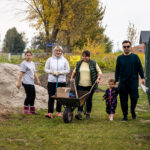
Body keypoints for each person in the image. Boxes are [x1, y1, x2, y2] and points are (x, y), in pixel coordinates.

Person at [115, 40, 145, 121]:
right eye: (124, 47)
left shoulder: (135, 57)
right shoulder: (119, 58)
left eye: (128, 46)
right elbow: (117, 70)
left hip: (133, 82)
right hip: (123, 82)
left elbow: (140, 68)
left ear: (130, 47)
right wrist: (116, 80)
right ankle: (125, 116)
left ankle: (132, 110)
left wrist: (142, 78)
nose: (126, 48)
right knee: (123, 100)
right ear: (123, 48)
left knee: (134, 98)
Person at [70, 50, 102, 120]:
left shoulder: (93, 63)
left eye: (86, 56)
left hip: (90, 85)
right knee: (80, 99)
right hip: (80, 84)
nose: (84, 58)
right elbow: (74, 71)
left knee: (89, 99)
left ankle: (88, 113)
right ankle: (79, 113)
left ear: (89, 56)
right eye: (83, 56)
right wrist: (72, 78)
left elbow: (99, 72)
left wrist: (98, 78)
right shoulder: (79, 63)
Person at [44, 46, 70, 119]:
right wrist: (51, 72)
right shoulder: (50, 59)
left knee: (61, 97)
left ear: (61, 52)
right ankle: (50, 112)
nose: (58, 52)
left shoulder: (64, 60)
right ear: (54, 51)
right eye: (57, 51)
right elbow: (46, 69)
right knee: (51, 96)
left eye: (60, 51)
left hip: (61, 81)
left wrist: (60, 72)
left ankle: (59, 112)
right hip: (51, 80)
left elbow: (68, 70)